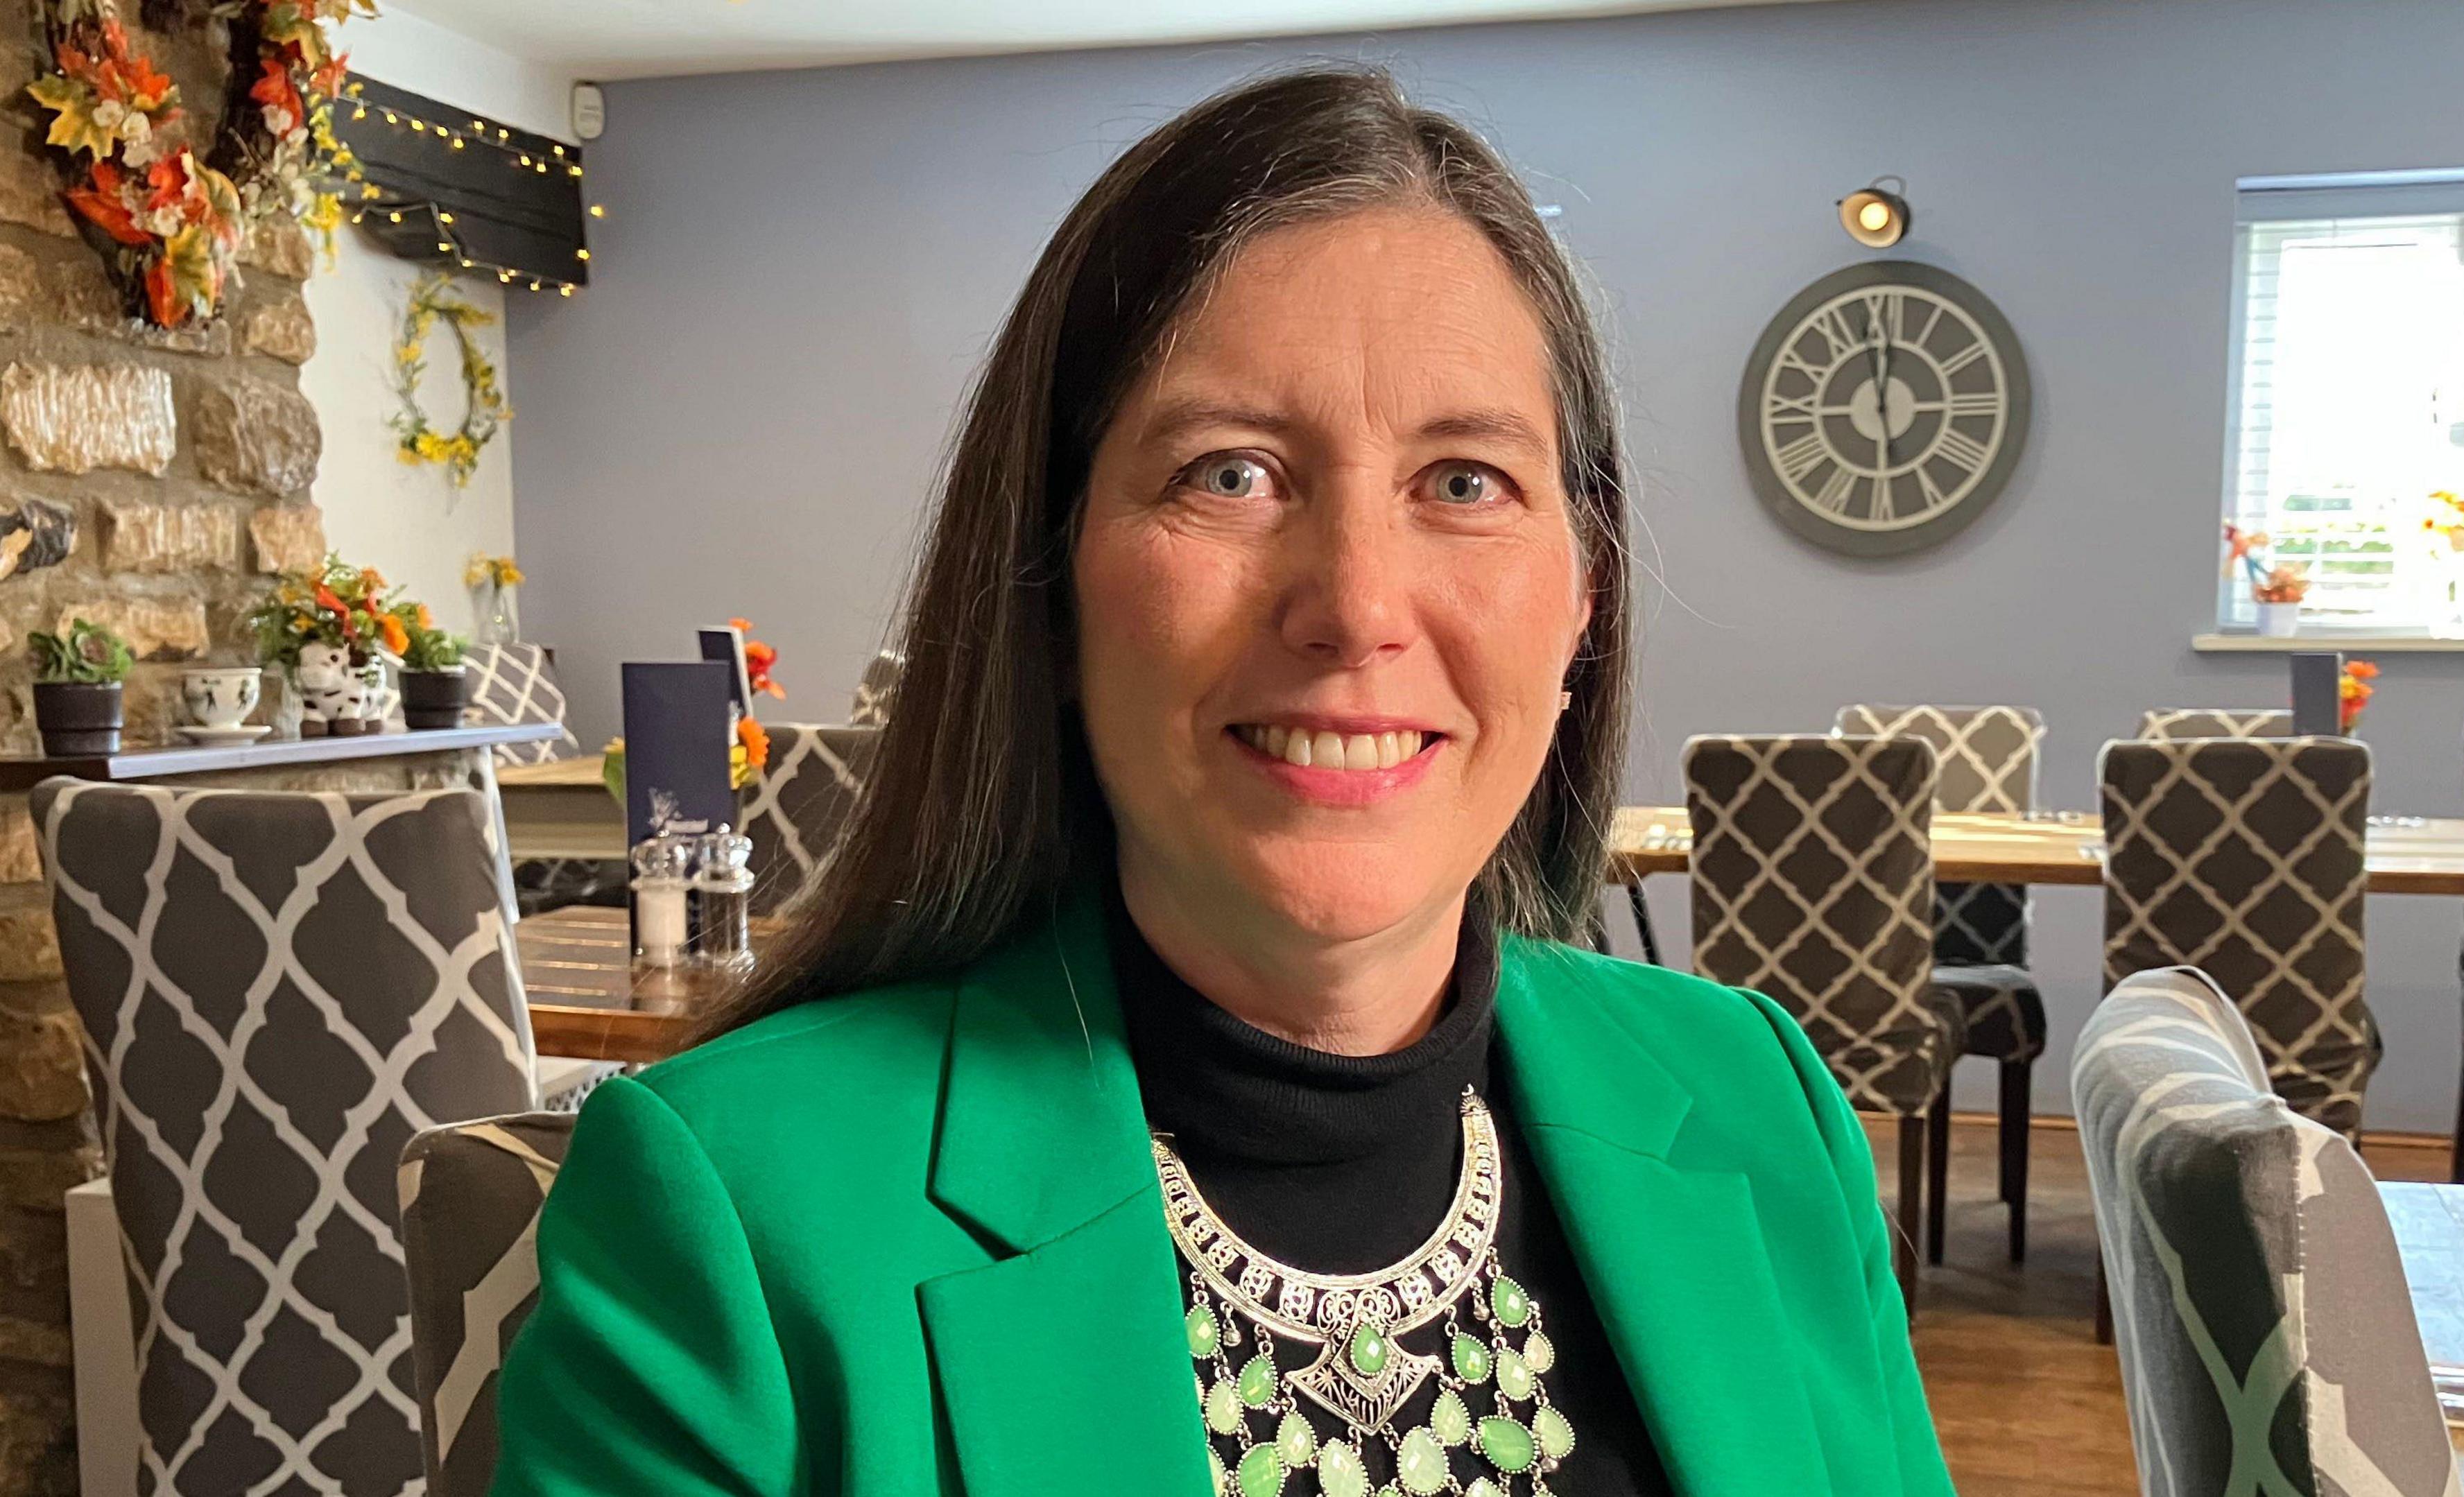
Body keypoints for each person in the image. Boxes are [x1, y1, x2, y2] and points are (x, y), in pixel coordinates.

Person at [492, 66, 1952, 1497]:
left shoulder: (1765, 1107)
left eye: (1463, 482)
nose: (1357, 604)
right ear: (1051, 583)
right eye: (1231, 474)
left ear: (1585, 597)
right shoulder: (731, 1220)